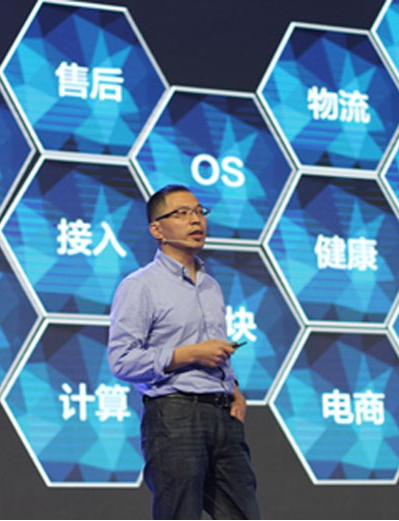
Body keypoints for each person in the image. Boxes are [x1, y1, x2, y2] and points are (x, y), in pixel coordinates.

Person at [107, 184, 261, 520]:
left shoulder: (210, 285)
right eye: (182, 213)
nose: (195, 220)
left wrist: (234, 389)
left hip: (222, 415)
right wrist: (189, 355)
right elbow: (121, 361)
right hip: (175, 416)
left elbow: (214, 348)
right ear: (157, 230)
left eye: (199, 212)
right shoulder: (140, 285)